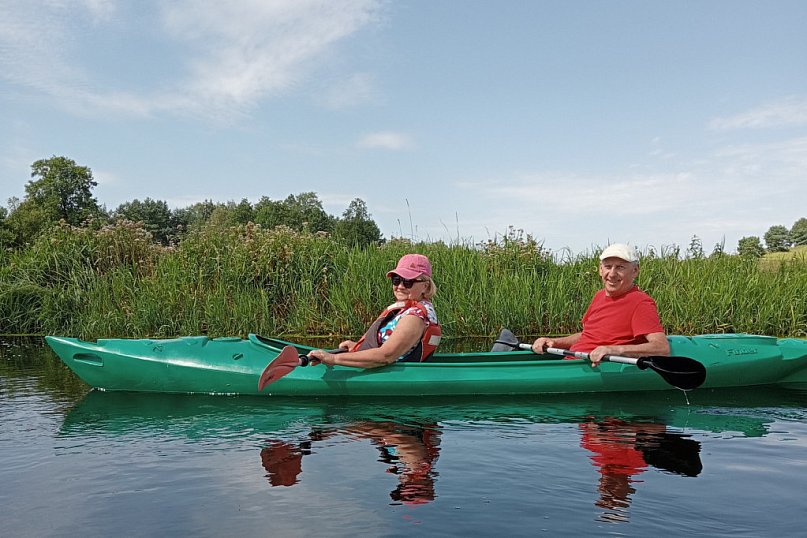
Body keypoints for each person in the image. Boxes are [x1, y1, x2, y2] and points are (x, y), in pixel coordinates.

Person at [531, 243, 670, 366]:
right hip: (573, 363)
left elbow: (661, 348)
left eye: (620, 267)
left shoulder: (641, 303)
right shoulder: (599, 296)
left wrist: (613, 350)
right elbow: (588, 335)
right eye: (608, 267)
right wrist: (554, 342)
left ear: (635, 270)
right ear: (600, 269)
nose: (612, 274)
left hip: (595, 369)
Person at [307, 253, 441, 368]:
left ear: (425, 285)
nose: (400, 286)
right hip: (382, 367)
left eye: (408, 282)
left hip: (390, 372)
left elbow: (386, 356)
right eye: (396, 280)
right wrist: (357, 347)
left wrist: (334, 359)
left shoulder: (415, 317)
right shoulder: (409, 308)